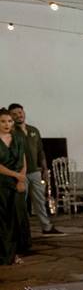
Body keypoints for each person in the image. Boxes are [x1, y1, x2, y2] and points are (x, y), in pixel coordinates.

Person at [8, 104, 62, 235]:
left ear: (23, 113)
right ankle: (20, 230)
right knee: (20, 202)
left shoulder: (33, 130)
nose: (18, 116)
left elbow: (40, 151)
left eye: (20, 112)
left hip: (35, 172)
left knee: (40, 200)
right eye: (14, 114)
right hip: (19, 173)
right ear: (11, 117)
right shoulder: (11, 132)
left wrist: (44, 169)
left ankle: (47, 227)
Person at [0, 108, 29, 265]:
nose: (7, 124)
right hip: (1, 184)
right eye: (3, 121)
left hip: (16, 184)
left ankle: (14, 253)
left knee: (16, 219)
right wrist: (16, 175)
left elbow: (23, 160)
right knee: (2, 221)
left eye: (9, 121)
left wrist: (21, 179)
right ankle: (3, 255)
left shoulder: (17, 138)